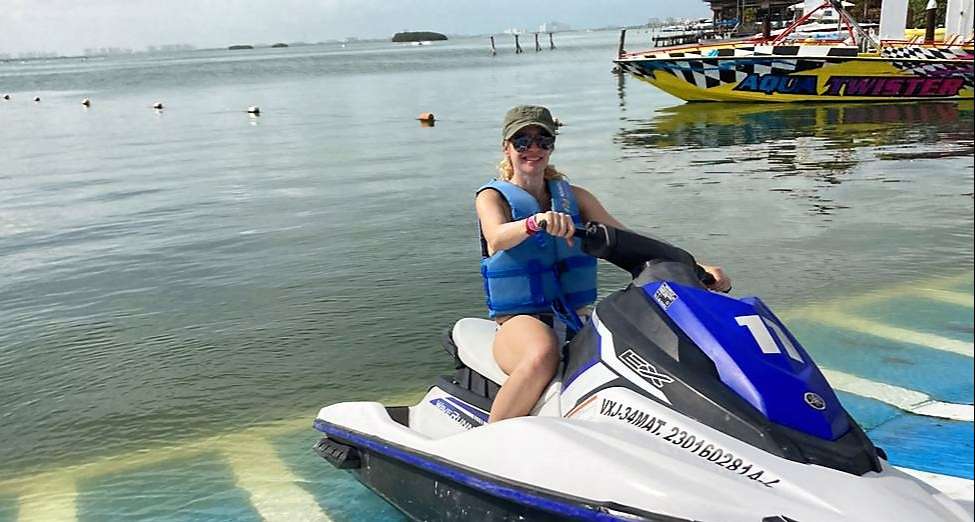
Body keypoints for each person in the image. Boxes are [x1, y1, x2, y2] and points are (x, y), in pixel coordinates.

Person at [475, 105, 731, 423]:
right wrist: (534, 223)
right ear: (507, 147)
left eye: (543, 140)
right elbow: (496, 236)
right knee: (541, 355)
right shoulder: (492, 197)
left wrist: (694, 267)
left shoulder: (575, 198)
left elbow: (627, 239)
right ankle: (488, 440)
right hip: (520, 321)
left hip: (575, 318)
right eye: (522, 141)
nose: (534, 149)